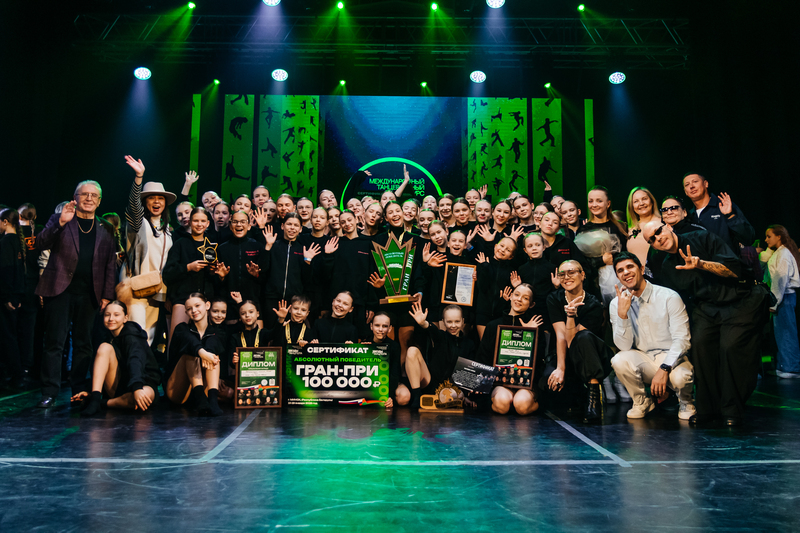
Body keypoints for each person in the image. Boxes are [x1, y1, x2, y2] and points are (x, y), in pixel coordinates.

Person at [642, 219, 770, 426]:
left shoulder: (702, 237)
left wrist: (701, 264)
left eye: (659, 232)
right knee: (700, 345)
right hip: (707, 306)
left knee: (730, 347)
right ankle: (708, 409)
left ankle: (732, 409)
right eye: (652, 239)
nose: (658, 238)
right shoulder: (667, 265)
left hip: (740, 298)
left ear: (668, 227)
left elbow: (733, 270)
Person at [35, 181, 118, 408]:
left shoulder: (106, 228)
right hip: (59, 290)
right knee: (54, 342)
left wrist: (107, 295)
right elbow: (40, 242)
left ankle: (79, 390)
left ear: (99, 201)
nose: (89, 198)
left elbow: (110, 264)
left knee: (84, 344)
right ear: (75, 197)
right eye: (84, 194)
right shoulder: (60, 219)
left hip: (90, 293)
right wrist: (61, 222)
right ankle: (49, 392)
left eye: (94, 195)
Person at [609, 252, 695, 420]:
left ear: (641, 269)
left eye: (630, 267)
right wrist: (622, 315)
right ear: (618, 277)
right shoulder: (616, 303)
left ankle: (686, 402)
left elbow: (682, 340)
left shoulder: (668, 296)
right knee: (619, 360)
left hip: (672, 358)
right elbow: (624, 346)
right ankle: (641, 402)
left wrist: (664, 368)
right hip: (643, 359)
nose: (626, 272)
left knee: (681, 378)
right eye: (620, 270)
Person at [545, 260, 613, 422]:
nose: (566, 277)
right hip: (567, 354)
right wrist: (560, 368)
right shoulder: (554, 298)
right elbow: (561, 336)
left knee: (584, 337)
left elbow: (573, 341)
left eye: (571, 272)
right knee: (549, 385)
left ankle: (594, 394)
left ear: (582, 275)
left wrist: (570, 316)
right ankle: (580, 392)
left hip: (591, 356)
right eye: (562, 274)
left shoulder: (594, 304)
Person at [70, 301, 161, 415]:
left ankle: (101, 403)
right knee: (104, 347)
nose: (111, 319)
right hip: (118, 385)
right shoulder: (105, 337)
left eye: (116, 315)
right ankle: (95, 399)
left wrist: (137, 387)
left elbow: (135, 361)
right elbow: (99, 369)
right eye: (107, 315)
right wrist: (89, 391)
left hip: (142, 382)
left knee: (142, 398)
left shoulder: (133, 335)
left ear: (125, 318)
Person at [122, 155, 176, 346]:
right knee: (137, 335)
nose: (156, 201)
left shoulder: (168, 230)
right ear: (145, 202)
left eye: (160, 198)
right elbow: (133, 207)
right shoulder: (139, 224)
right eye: (151, 198)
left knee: (150, 339)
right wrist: (139, 177)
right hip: (136, 289)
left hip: (157, 291)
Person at [476, 284, 544, 415]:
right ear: (511, 296)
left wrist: (530, 334)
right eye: (516, 294)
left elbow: (539, 360)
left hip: (526, 384)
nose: (519, 299)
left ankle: (537, 405)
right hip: (500, 383)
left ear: (531, 304)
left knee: (521, 405)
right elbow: (483, 356)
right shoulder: (493, 325)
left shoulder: (535, 327)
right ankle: (507, 402)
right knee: (502, 403)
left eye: (525, 298)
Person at [406, 302, 476, 409]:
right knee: (412, 350)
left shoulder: (469, 344)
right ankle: (417, 398)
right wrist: (423, 323)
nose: (453, 325)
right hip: (431, 383)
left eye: (457, 321)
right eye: (449, 322)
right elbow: (432, 329)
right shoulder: (440, 337)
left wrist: (466, 395)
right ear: (443, 322)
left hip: (453, 390)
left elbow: (469, 372)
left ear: (463, 321)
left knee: (459, 395)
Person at [165, 292, 225, 416]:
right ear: (186, 312)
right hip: (178, 390)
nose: (194, 310)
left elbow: (213, 344)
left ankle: (213, 401)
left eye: (197, 306)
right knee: (191, 352)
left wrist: (207, 354)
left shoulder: (217, 332)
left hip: (205, 388)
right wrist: (201, 353)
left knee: (213, 354)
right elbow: (190, 341)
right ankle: (200, 399)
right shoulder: (182, 329)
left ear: (207, 305)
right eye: (189, 309)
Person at [162, 207, 218, 340]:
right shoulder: (180, 244)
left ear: (208, 223)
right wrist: (188, 267)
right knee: (176, 341)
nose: (199, 224)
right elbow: (168, 274)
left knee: (203, 341)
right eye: (196, 221)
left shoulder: (212, 245)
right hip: (182, 299)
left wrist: (217, 273)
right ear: (190, 222)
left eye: (203, 221)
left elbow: (215, 279)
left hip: (205, 300)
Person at [683, 173, 754, 255]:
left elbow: (748, 238)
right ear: (685, 192)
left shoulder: (724, 205)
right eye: (687, 184)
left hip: (728, 262)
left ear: (706, 184)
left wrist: (730, 215)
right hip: (702, 263)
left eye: (695, 181)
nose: (691, 186)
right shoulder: (689, 216)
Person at [763, 225, 800, 378]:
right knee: (781, 333)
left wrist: (774, 302)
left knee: (786, 333)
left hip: (784, 297)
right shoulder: (779, 252)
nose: (766, 240)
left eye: (769, 236)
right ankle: (785, 365)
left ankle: (791, 368)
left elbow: (780, 279)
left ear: (779, 236)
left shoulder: (784, 253)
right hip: (782, 298)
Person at [0, 208, 26, 388]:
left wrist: (7, 296)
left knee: (7, 336)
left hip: (7, 296)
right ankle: (13, 374)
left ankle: (14, 375)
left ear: (5, 222)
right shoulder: (18, 241)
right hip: (16, 294)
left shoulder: (6, 242)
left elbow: (7, 271)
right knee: (10, 335)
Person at [365, 311, 405, 409]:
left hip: (388, 383)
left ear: (390, 328)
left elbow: (394, 374)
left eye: (384, 326)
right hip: (369, 384)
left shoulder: (394, 346)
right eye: (377, 325)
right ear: (371, 326)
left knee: (404, 397)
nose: (380, 329)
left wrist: (388, 396)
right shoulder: (365, 344)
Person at [625, 187, 661, 268]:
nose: (641, 203)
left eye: (644, 199)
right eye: (636, 201)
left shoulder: (664, 223)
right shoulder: (629, 228)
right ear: (632, 206)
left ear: (652, 201)